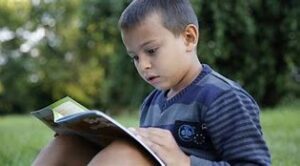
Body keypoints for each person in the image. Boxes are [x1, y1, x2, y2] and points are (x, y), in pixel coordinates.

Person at [33, 0, 271, 165]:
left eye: (152, 50)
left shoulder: (223, 97)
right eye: (135, 57)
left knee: (125, 154)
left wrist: (185, 162)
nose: (143, 65)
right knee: (69, 143)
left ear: (189, 38)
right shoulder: (152, 102)